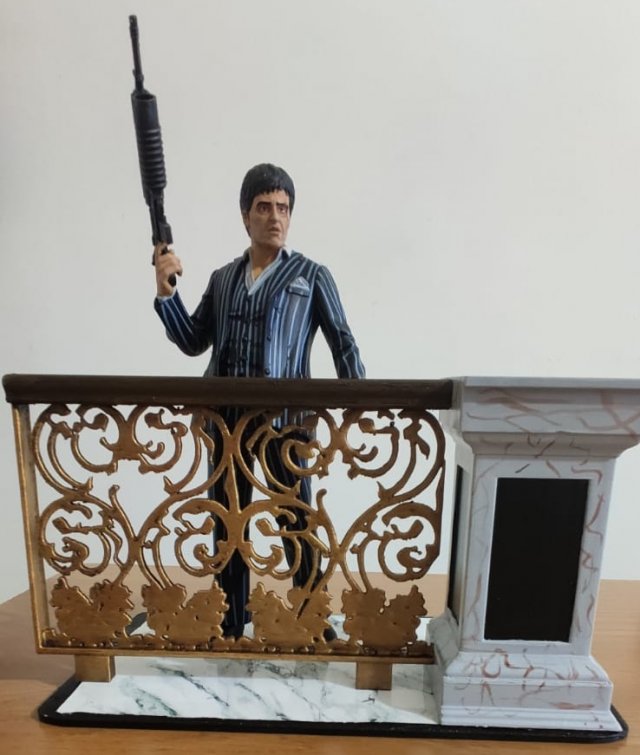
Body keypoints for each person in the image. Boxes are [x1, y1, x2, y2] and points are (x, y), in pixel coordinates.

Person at [153, 163, 365, 639]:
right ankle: (229, 620)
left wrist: (356, 406)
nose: (275, 217)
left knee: (296, 517)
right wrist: (167, 295)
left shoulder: (311, 275)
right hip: (226, 420)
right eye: (264, 207)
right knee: (227, 521)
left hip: (285, 421)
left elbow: (344, 343)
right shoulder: (223, 278)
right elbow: (194, 340)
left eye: (283, 208)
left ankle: (311, 615)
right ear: (245, 216)